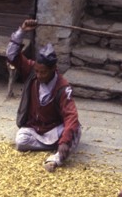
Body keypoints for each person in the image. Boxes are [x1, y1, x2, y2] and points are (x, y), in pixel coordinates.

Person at [6, 19, 81, 172]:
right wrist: (22, 31)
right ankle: (55, 145)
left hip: (54, 128)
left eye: (43, 72)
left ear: (53, 69)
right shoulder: (32, 71)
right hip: (36, 128)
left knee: (72, 130)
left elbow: (71, 116)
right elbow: (11, 56)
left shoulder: (62, 87)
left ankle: (57, 156)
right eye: (38, 71)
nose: (39, 75)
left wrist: (65, 140)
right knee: (21, 141)